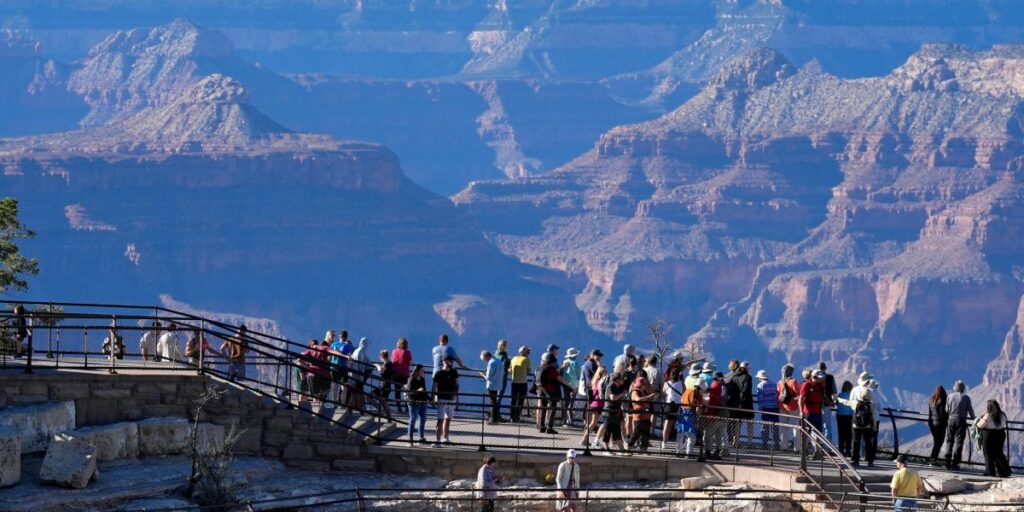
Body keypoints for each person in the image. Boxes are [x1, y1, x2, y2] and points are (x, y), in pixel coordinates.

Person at [839, 372, 877, 467]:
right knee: (868, 442)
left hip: (856, 423)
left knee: (856, 441)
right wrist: (874, 426)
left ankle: (856, 460)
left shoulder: (855, 392)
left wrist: (838, 399)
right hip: (868, 424)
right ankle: (870, 461)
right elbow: (874, 415)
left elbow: (847, 402)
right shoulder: (870, 400)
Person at [943, 379, 975, 470]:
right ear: (963, 388)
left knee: (949, 440)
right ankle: (955, 463)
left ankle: (947, 461)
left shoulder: (950, 396)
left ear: (955, 388)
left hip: (951, 420)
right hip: (961, 421)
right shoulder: (966, 398)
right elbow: (970, 410)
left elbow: (947, 410)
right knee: (959, 442)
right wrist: (974, 420)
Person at [537, 352, 571, 434]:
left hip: (541, 389)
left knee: (543, 407)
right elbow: (561, 379)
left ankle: (542, 426)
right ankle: (549, 427)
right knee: (553, 407)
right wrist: (572, 387)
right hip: (549, 390)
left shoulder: (541, 367)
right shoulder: (551, 370)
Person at [977, 399, 1012, 478]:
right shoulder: (1002, 414)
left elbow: (979, 425)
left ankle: (990, 472)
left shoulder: (988, 415)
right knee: (999, 453)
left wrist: (980, 419)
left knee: (988, 454)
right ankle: (1004, 471)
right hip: (1000, 434)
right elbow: (1004, 423)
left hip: (989, 435)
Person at [432, 355, 460, 446]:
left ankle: (445, 438)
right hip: (442, 398)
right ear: (444, 362)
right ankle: (437, 441)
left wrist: (455, 395)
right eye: (448, 361)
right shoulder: (439, 373)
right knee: (440, 419)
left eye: (451, 361)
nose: (450, 363)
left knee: (448, 419)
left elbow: (457, 384)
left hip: (451, 398)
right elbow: (435, 386)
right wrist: (435, 397)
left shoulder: (454, 372)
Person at [677, 368, 703, 456]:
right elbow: (698, 409)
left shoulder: (687, 391)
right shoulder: (699, 395)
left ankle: (678, 451)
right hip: (691, 414)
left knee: (681, 432)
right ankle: (689, 452)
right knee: (691, 434)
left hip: (682, 412)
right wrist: (698, 420)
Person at [628, 373, 656, 452]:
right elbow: (637, 399)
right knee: (637, 432)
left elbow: (648, 400)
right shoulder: (635, 391)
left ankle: (643, 448)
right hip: (639, 416)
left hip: (646, 416)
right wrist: (648, 397)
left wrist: (652, 397)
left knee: (646, 433)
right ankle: (629, 445)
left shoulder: (644, 391)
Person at [601, 372, 628, 452]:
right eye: (621, 379)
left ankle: (621, 449)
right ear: (617, 380)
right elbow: (613, 397)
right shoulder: (610, 387)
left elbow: (622, 399)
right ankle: (606, 448)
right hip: (608, 412)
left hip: (617, 412)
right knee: (607, 430)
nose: (623, 380)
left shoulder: (620, 388)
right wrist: (622, 394)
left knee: (617, 430)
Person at [581, 365, 606, 449]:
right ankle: (584, 440)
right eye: (604, 371)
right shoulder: (601, 381)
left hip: (593, 403)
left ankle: (585, 439)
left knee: (592, 422)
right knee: (593, 423)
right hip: (598, 403)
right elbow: (601, 393)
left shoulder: (594, 380)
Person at [755, 370, 781, 450]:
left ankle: (765, 444)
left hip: (765, 408)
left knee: (765, 427)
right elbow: (777, 395)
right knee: (775, 427)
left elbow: (760, 398)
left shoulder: (760, 385)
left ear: (760, 378)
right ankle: (776, 444)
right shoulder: (774, 384)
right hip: (775, 408)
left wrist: (760, 408)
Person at [777, 364, 800, 450]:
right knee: (796, 428)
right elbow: (798, 394)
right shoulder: (793, 381)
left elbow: (778, 394)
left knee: (783, 428)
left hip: (782, 407)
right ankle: (797, 448)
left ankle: (783, 446)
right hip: (793, 407)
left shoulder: (779, 382)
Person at [704, 370, 727, 458]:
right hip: (722, 413)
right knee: (719, 434)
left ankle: (708, 451)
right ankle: (717, 452)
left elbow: (712, 402)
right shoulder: (723, 387)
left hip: (714, 414)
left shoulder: (714, 386)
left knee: (707, 435)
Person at [405, 364, 430, 445]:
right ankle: (410, 439)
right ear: (417, 371)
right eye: (422, 370)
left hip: (422, 402)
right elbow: (409, 393)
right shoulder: (411, 380)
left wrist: (430, 399)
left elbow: (424, 391)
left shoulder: (422, 379)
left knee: (423, 419)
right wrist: (418, 391)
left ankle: (421, 438)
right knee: (413, 420)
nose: (423, 372)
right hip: (413, 402)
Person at [662, 367, 684, 450]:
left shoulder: (666, 384)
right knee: (678, 424)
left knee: (667, 424)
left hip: (669, 404)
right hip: (678, 405)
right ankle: (679, 444)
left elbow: (663, 394)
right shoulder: (681, 384)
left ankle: (664, 442)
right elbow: (684, 392)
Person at [508, 346, 532, 422]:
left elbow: (510, 370)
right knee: (521, 400)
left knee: (513, 400)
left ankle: (511, 416)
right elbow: (528, 372)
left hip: (514, 382)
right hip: (523, 383)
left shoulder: (514, 358)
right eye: (528, 352)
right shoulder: (527, 360)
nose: (529, 353)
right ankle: (517, 417)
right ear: (524, 353)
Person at [329, 330, 353, 405]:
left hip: (333, 366)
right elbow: (350, 358)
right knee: (344, 386)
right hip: (343, 367)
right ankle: (342, 403)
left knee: (334, 386)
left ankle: (334, 403)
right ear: (346, 338)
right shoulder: (348, 346)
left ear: (339, 336)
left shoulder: (333, 344)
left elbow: (329, 357)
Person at [390, 337, 413, 413]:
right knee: (406, 391)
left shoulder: (394, 351)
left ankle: (399, 407)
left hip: (395, 374)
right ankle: (407, 407)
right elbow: (410, 361)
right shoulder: (407, 352)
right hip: (405, 374)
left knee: (397, 391)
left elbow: (393, 360)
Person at [480, 350, 504, 423]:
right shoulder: (499, 361)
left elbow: (488, 377)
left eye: (484, 360)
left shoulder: (491, 363)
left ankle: (493, 419)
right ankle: (494, 417)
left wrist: (482, 374)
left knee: (493, 402)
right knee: (494, 401)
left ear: (486, 357)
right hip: (498, 384)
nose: (485, 361)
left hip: (491, 384)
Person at [349, 337, 372, 413]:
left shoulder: (358, 351)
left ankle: (351, 410)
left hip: (355, 376)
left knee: (354, 394)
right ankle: (361, 410)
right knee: (358, 394)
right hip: (358, 377)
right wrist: (360, 378)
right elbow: (359, 366)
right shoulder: (360, 353)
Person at [927, 385, 948, 466]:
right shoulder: (942, 401)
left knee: (936, 442)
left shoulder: (931, 400)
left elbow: (930, 414)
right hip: (940, 425)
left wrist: (930, 422)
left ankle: (932, 459)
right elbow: (942, 414)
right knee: (939, 442)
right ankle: (933, 460)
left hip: (932, 424)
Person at [560, 348, 582, 426]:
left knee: (566, 402)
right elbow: (579, 375)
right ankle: (571, 420)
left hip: (565, 384)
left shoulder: (564, 362)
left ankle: (564, 420)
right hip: (574, 385)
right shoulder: (575, 363)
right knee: (571, 404)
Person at [818, 362, 838, 444]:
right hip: (826, 404)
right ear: (825, 368)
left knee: (818, 425)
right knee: (827, 425)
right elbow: (834, 391)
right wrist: (833, 402)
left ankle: (818, 445)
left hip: (815, 404)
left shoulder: (814, 377)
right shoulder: (830, 377)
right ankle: (827, 446)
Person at [374, 349, 395, 421]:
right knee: (383, 402)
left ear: (381, 356)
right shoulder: (389, 363)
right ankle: (387, 416)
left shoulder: (387, 364)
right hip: (384, 385)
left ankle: (388, 416)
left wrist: (376, 365)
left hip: (384, 386)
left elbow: (380, 370)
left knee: (384, 402)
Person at [836, 381, 854, 457]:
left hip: (840, 415)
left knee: (841, 433)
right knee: (849, 434)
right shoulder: (851, 395)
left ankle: (841, 450)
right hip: (849, 416)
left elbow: (837, 403)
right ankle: (848, 450)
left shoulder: (839, 395)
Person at [495, 339, 511, 416]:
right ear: (503, 345)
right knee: (499, 396)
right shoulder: (503, 354)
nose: (506, 347)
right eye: (505, 345)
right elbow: (504, 366)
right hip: (502, 377)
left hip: (495, 377)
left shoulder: (495, 353)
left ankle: (493, 414)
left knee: (495, 396)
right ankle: (496, 414)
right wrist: (509, 361)